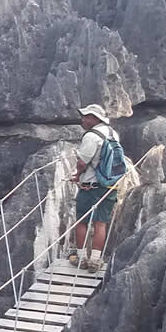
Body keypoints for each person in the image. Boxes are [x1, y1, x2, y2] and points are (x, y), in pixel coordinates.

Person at [68, 104, 119, 272]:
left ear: (96, 119)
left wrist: (76, 175)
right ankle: (95, 260)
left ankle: (82, 258)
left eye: (87, 117)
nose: (83, 119)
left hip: (91, 186)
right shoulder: (113, 133)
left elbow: (83, 162)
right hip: (110, 185)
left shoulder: (91, 136)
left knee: (82, 221)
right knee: (101, 223)